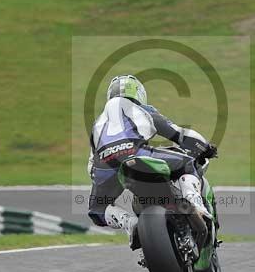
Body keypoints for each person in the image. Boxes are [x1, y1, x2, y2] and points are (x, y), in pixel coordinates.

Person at [87, 74, 218, 247]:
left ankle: (129, 223)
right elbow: (178, 133)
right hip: (136, 153)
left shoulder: (98, 124)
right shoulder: (141, 109)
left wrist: (104, 177)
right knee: (187, 164)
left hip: (104, 166)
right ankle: (195, 203)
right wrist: (206, 147)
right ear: (139, 94)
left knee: (97, 211)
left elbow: (91, 167)